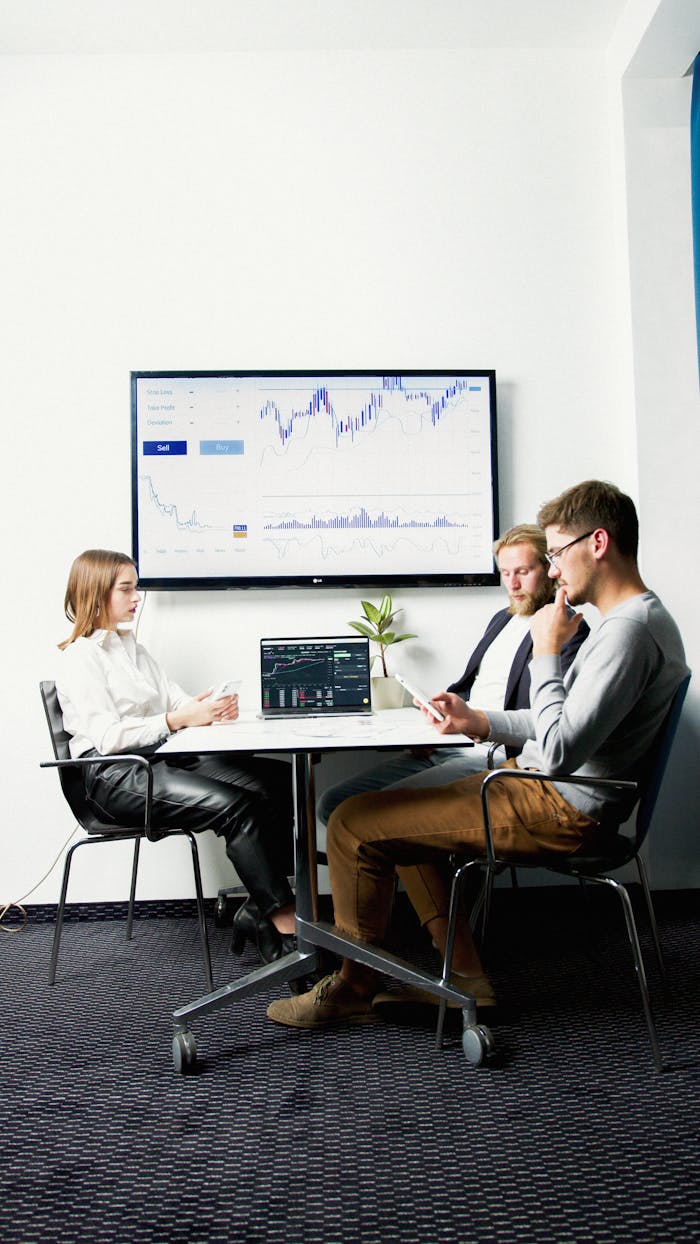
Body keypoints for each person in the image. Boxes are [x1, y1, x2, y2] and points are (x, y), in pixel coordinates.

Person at [266, 480, 689, 1030]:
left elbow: (560, 749)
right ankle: (464, 980)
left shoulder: (626, 633)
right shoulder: (633, 621)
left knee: (351, 822)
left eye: (556, 554)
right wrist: (479, 721)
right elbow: (560, 725)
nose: (554, 570)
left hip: (560, 806)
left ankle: (354, 985)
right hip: (538, 787)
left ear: (598, 543)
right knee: (398, 814)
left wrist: (546, 652)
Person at [315, 523, 589, 982]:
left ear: (549, 570)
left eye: (523, 572)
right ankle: (405, 931)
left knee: (387, 814)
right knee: (333, 803)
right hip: (455, 744)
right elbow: (469, 688)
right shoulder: (502, 620)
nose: (512, 583)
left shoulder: (567, 633)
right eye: (504, 573)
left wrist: (475, 724)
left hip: (497, 758)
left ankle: (413, 956)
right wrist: (440, 711)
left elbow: (545, 722)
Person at [55, 549, 296, 968]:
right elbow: (109, 738)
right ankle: (284, 923)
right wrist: (176, 719)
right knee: (238, 807)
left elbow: (176, 701)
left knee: (278, 780)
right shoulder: (81, 658)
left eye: (136, 588)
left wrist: (208, 709)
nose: (137, 598)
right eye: (127, 589)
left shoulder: (134, 648)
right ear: (96, 593)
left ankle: (259, 906)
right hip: (113, 776)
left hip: (161, 758)